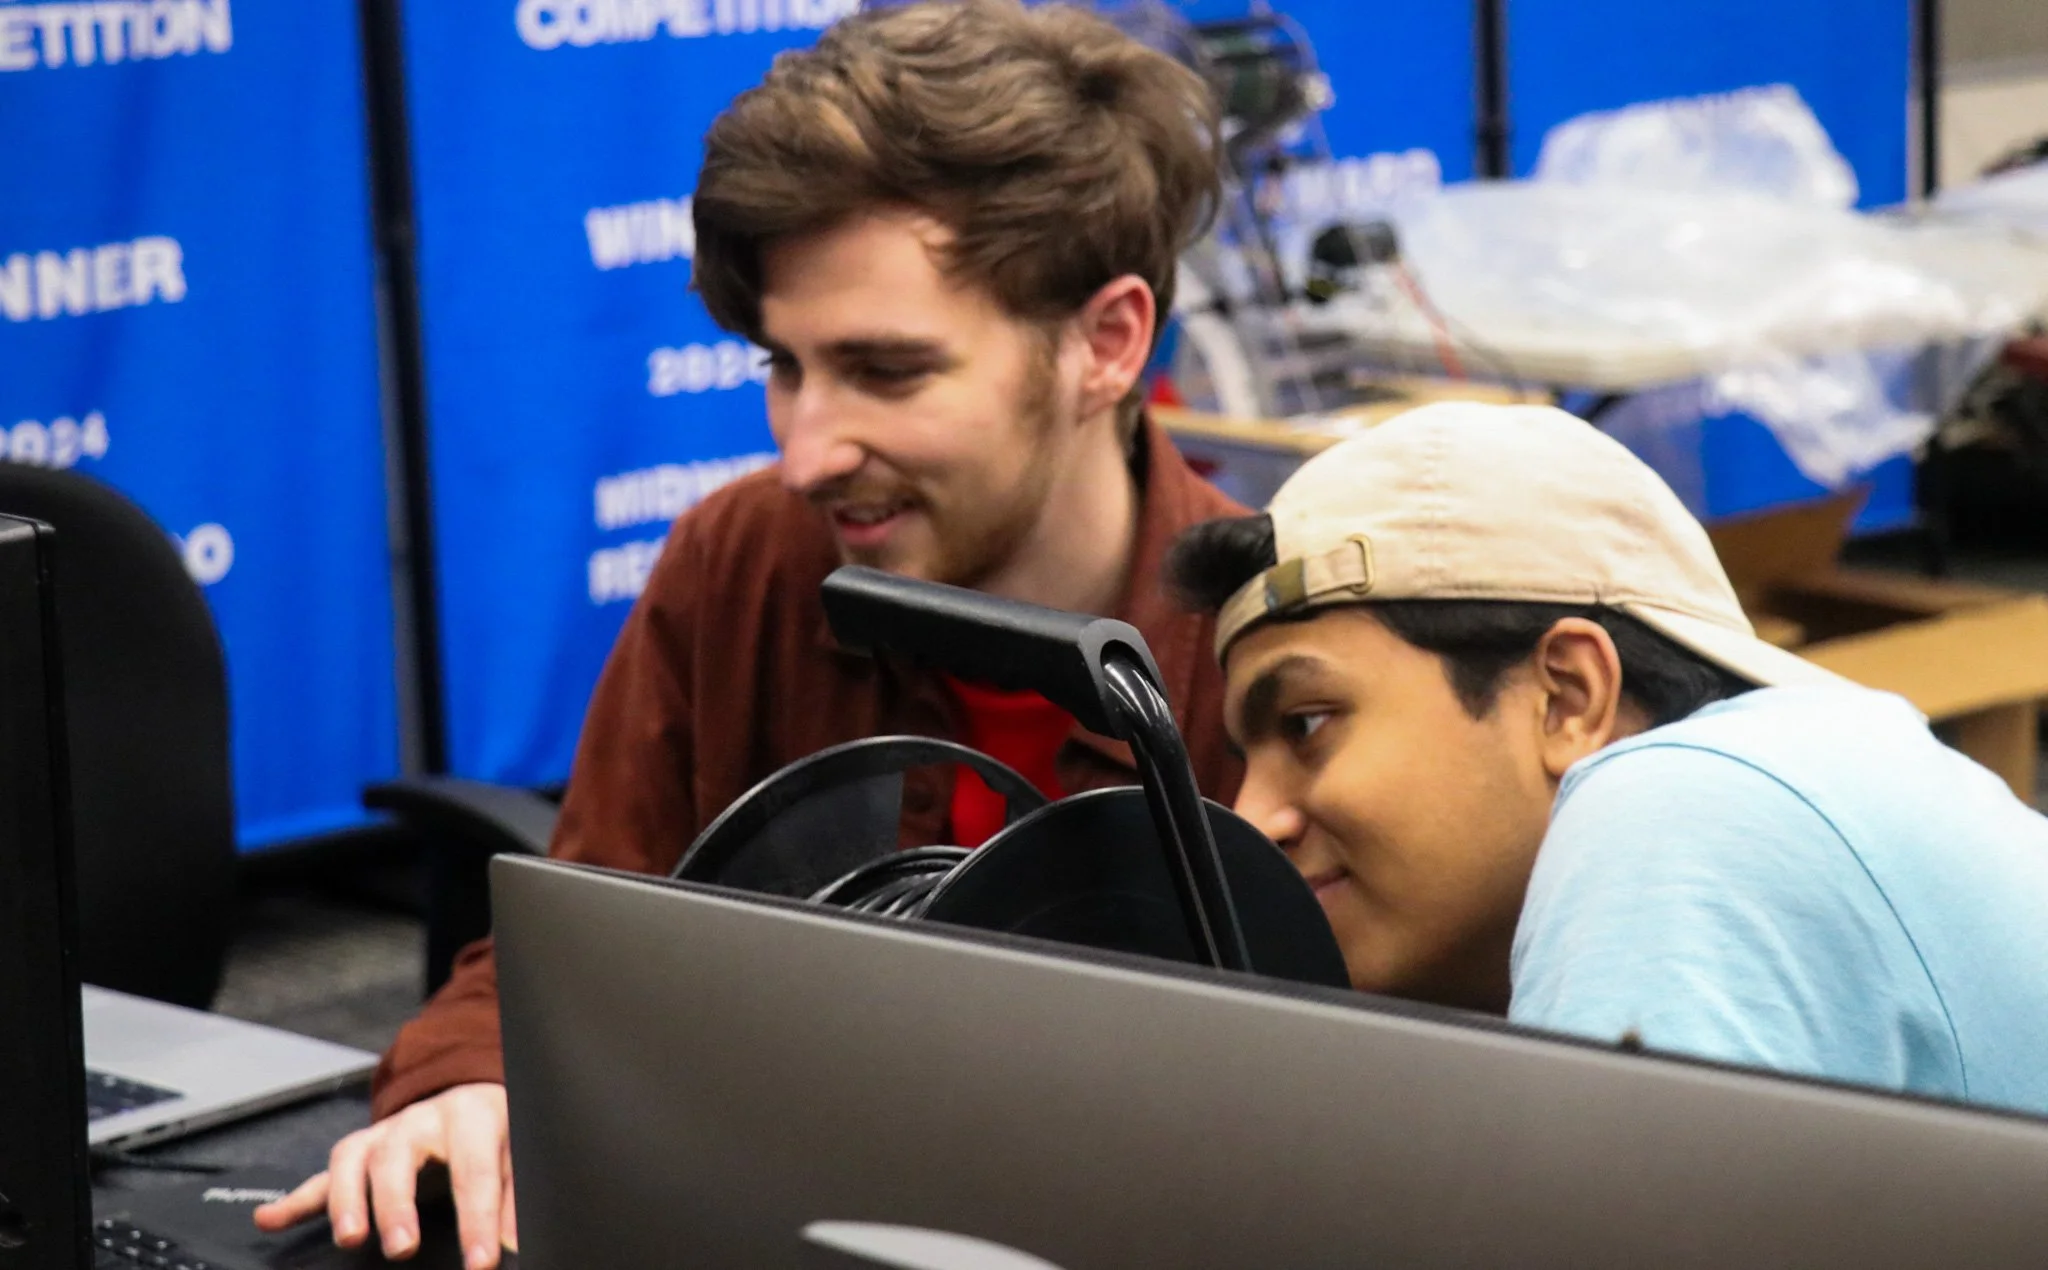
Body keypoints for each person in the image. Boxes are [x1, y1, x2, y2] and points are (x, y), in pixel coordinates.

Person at [255, 4, 1240, 1265]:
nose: (806, 451)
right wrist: (472, 1082)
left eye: (887, 372)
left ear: (1105, 344)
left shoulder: (1268, 653)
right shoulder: (743, 560)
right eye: (783, 365)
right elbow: (580, 950)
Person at [1168, 399, 2048, 1117]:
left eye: (1309, 724)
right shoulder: (1787, 779)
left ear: (1568, 696)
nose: (1251, 819)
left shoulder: (1684, 803)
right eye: (1245, 759)